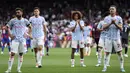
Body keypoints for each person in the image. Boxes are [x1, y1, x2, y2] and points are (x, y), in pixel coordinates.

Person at [5, 8, 31, 73]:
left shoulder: (25, 20)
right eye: (16, 13)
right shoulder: (13, 20)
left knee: (21, 54)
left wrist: (28, 34)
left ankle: (18, 69)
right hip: (15, 40)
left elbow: (30, 27)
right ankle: (9, 69)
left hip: (22, 40)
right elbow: (7, 27)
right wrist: (10, 35)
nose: (17, 14)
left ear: (22, 13)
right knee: (12, 54)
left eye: (18, 12)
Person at [102, 5, 125, 72]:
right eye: (110, 9)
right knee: (107, 53)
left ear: (115, 10)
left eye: (113, 9)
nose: (111, 10)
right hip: (108, 38)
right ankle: (105, 67)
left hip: (116, 38)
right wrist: (110, 23)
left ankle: (121, 67)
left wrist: (114, 23)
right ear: (109, 11)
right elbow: (104, 27)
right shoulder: (106, 18)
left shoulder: (119, 18)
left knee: (119, 53)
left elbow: (121, 28)